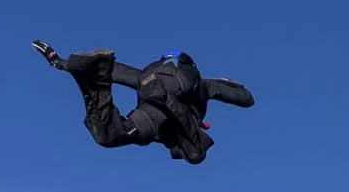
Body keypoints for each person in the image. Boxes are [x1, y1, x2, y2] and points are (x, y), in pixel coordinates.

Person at [34, 42, 253, 163]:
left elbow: (115, 72)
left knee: (107, 135)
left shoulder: (147, 77)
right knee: (196, 153)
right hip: (173, 117)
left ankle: (93, 85)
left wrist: (59, 62)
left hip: (150, 114)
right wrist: (231, 85)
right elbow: (246, 100)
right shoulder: (205, 85)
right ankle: (167, 101)